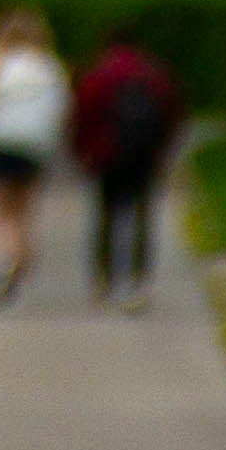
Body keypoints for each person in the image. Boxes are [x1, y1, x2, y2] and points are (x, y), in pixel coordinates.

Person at [71, 29, 188, 311]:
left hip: (106, 155)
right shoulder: (155, 75)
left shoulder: (97, 76)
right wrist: (164, 152)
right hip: (144, 156)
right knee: (141, 218)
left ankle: (104, 281)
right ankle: (139, 283)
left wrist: (81, 153)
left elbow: (81, 116)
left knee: (106, 217)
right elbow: (174, 114)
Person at [0, 8, 71, 305]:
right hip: (33, 148)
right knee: (24, 210)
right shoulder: (49, 68)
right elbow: (60, 112)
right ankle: (22, 257)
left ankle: (4, 261)